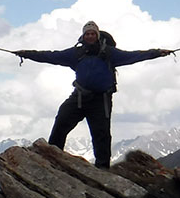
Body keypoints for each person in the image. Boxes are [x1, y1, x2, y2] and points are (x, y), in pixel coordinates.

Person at [13, 21, 170, 169]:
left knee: (101, 134)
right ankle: (51, 157)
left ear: (97, 35)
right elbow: (50, 56)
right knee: (61, 121)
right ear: (83, 36)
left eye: (92, 33)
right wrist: (27, 54)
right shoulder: (76, 53)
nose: (89, 36)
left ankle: (102, 169)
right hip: (79, 97)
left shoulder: (109, 53)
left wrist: (156, 53)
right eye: (87, 33)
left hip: (101, 100)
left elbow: (134, 56)